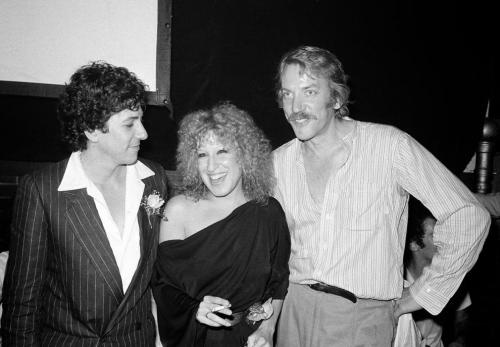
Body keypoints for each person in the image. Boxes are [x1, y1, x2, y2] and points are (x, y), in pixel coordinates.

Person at [272, 45, 490, 346]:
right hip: (293, 310)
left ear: (336, 98)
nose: (295, 106)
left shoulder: (389, 147)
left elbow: (468, 214)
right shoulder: (278, 163)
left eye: (309, 92)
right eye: (287, 93)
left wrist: (419, 295)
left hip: (360, 318)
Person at [1, 62, 168, 346]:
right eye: (130, 123)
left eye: (141, 120)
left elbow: (159, 274)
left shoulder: (154, 180)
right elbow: (22, 305)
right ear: (92, 129)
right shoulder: (43, 190)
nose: (143, 133)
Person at [152, 102, 290, 347]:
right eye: (202, 154)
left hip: (249, 339)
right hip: (196, 338)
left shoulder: (268, 212)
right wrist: (195, 308)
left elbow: (278, 283)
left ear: (245, 154)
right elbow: (163, 288)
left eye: (222, 151)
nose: (212, 166)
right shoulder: (178, 210)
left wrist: (267, 330)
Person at [405, 198, 471, 347]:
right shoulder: (396, 283)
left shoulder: (452, 275)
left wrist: (458, 341)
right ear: (414, 244)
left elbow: (463, 320)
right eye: (435, 234)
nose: (445, 239)